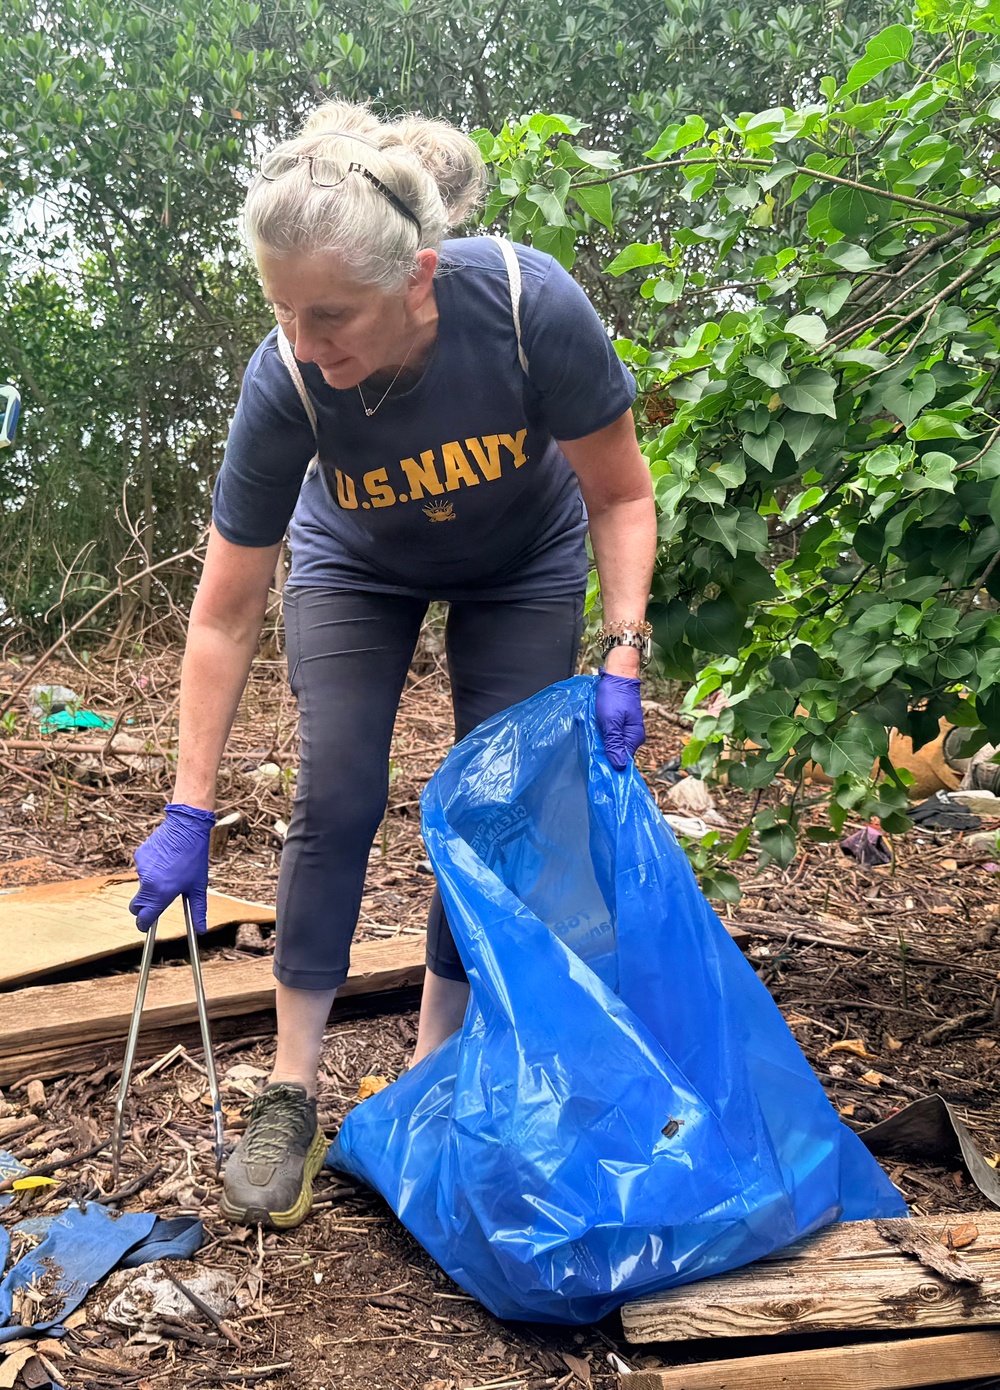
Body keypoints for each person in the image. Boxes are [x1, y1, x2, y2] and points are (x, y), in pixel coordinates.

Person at [129, 100, 657, 1230]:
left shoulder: (526, 308)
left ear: (419, 277)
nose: (308, 343)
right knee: (337, 792)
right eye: (282, 312)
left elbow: (620, 492)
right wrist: (190, 801)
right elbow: (224, 615)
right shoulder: (288, 379)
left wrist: (621, 645)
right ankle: (291, 1087)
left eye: (332, 314)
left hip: (520, 559)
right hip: (355, 563)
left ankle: (433, 1076)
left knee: (488, 805)